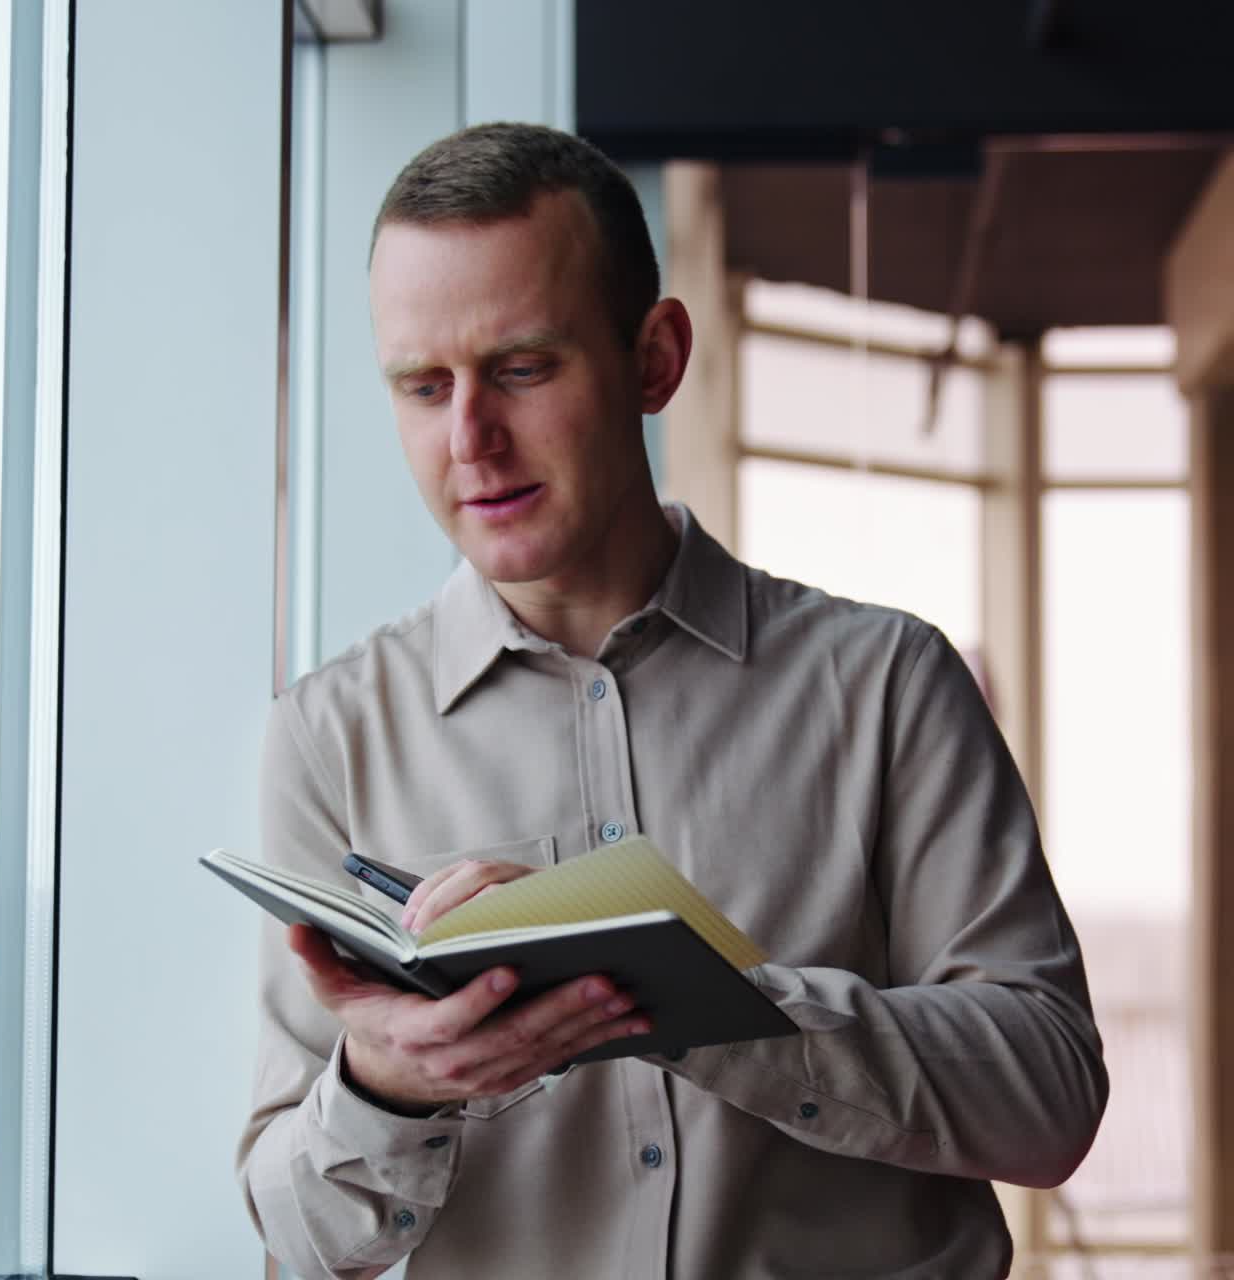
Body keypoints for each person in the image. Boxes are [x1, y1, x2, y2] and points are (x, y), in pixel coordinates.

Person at [238, 122, 1108, 1280]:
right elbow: (297, 1245)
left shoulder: (887, 683)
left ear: (653, 357)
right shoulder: (326, 736)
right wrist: (387, 1086)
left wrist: (682, 992)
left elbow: (1047, 1096)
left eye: (521, 367)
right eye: (422, 385)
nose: (470, 441)